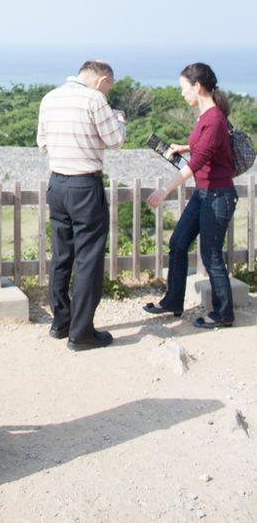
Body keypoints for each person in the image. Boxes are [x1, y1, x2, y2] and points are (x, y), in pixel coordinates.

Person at [37, 60, 126, 350]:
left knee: (62, 254)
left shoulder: (50, 98)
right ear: (102, 80)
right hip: (84, 186)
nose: (108, 92)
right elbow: (115, 141)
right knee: (89, 258)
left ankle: (60, 322)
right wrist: (119, 120)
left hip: (57, 184)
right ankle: (81, 333)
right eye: (109, 87)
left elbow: (43, 143)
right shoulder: (95, 99)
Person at [144, 63, 237, 329]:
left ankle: (223, 313)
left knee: (210, 255)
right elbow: (206, 147)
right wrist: (183, 146)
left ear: (197, 87)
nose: (182, 94)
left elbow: (196, 163)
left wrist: (165, 190)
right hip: (204, 193)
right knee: (178, 243)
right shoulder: (207, 117)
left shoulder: (215, 119)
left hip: (218, 196)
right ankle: (173, 301)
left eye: (184, 88)